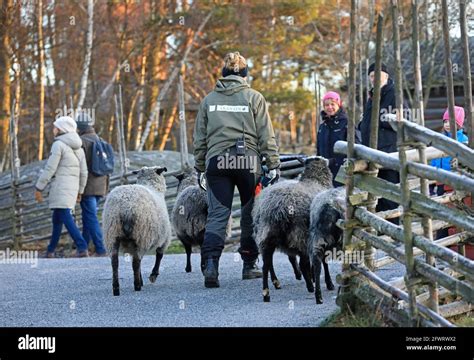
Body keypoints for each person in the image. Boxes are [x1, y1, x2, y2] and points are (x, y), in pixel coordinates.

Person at [193, 51, 280, 288]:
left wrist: (200, 167)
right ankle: (249, 265)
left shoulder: (209, 100)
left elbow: (200, 139)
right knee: (250, 214)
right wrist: (273, 164)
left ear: (223, 74)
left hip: (217, 162)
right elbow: (266, 135)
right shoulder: (254, 97)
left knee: (218, 215)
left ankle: (211, 265)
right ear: (244, 74)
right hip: (247, 163)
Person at [35, 116, 89, 258]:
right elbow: (84, 172)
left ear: (61, 129)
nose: (53, 129)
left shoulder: (58, 145)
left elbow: (50, 168)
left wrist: (39, 187)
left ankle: (82, 247)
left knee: (65, 217)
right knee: (57, 219)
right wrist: (80, 191)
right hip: (71, 189)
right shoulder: (79, 148)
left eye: (55, 127)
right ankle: (50, 251)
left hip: (60, 188)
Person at [358, 63, 403, 217]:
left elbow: (402, 119)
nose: (374, 79)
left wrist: (377, 121)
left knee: (390, 195)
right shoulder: (373, 95)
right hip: (372, 153)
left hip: (388, 153)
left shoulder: (394, 93)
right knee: (375, 196)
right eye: (371, 76)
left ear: (386, 75)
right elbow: (368, 119)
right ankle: (380, 232)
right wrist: (363, 124)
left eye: (378, 75)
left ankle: (393, 235)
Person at [430, 106, 468, 239]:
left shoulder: (463, 141)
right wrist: (432, 179)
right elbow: (433, 160)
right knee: (441, 209)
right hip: (440, 180)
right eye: (445, 121)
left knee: (454, 209)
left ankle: (453, 239)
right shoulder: (439, 139)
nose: (447, 125)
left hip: (453, 182)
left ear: (459, 124)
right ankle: (441, 237)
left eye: (451, 122)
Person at [75, 111, 109, 257]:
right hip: (101, 185)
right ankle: (84, 249)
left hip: (88, 186)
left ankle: (101, 249)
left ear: (80, 127)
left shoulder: (81, 142)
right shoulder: (101, 140)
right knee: (88, 216)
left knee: (91, 216)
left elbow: (79, 166)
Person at [317, 91, 359, 186]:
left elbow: (356, 146)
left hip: (342, 171)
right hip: (325, 171)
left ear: (338, 105)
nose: (330, 107)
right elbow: (319, 150)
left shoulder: (346, 123)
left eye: (333, 104)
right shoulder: (322, 126)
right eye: (327, 105)